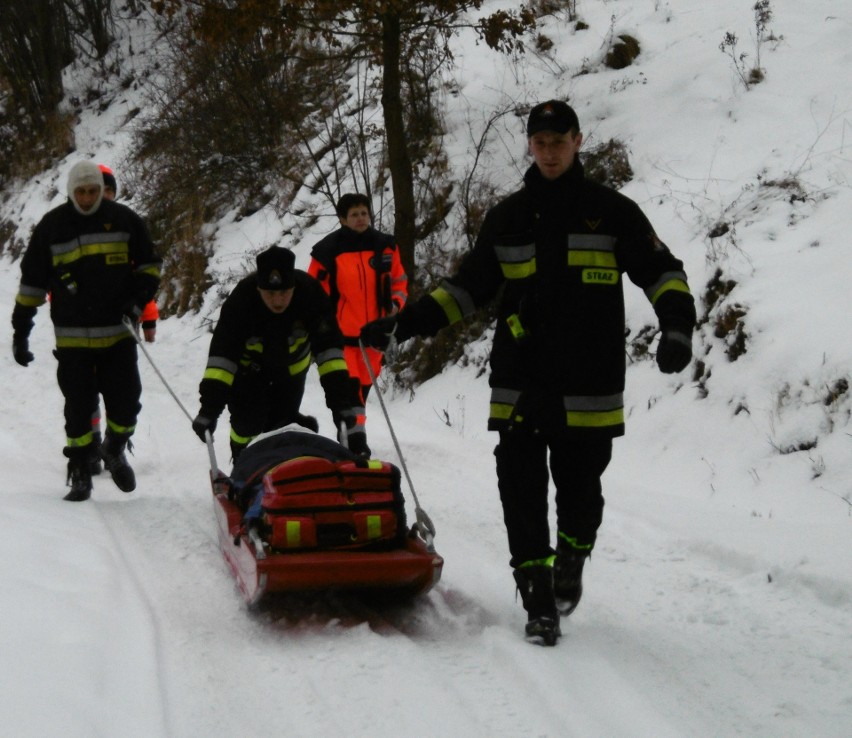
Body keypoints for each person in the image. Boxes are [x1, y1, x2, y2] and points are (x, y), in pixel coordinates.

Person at [361, 100, 696, 645]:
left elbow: (662, 272)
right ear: (530, 147)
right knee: (518, 488)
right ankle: (537, 596)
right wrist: (406, 323)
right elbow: (468, 288)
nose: (549, 152)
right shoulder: (508, 217)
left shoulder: (612, 211)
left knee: (581, 491)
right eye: (539, 143)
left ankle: (572, 558)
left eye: (558, 141)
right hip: (519, 378)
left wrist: (676, 326)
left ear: (578, 141)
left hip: (590, 381)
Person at [11, 160, 162, 501]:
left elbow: (151, 265)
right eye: (81, 191)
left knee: (126, 405)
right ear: (70, 191)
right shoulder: (52, 227)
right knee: (78, 407)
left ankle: (115, 447)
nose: (87, 197)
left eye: (93, 190)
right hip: (73, 338)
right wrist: (21, 331)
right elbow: (32, 284)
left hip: (118, 333)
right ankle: (80, 468)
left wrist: (138, 303)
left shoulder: (124, 221)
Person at [192, 245, 369, 462]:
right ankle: (241, 457)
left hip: (291, 372)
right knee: (247, 425)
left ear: (293, 286)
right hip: (249, 374)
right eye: (270, 293)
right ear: (259, 289)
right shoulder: (241, 301)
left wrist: (341, 404)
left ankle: (278, 470)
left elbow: (330, 355)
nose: (277, 300)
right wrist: (209, 410)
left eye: (284, 292)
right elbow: (222, 359)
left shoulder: (311, 295)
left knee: (281, 427)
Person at [82, 164, 160, 475]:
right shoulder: (72, 228)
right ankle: (90, 445)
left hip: (123, 326)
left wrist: (149, 317)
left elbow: (144, 281)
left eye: (110, 192)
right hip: (83, 330)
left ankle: (114, 444)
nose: (105, 198)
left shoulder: (128, 228)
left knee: (123, 391)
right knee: (85, 392)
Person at [307, 193, 407, 421]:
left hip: (374, 339)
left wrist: (394, 306)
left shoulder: (386, 246)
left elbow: (399, 281)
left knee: (361, 392)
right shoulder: (327, 251)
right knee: (350, 397)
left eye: (364, 213)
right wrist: (321, 328)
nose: (361, 218)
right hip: (342, 340)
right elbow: (314, 292)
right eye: (354, 215)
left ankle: (351, 439)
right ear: (342, 219)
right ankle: (356, 446)